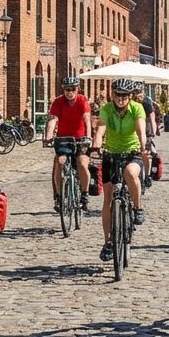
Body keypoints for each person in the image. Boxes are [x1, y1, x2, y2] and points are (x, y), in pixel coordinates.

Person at [93, 78, 148, 262]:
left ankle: (138, 207)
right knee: (108, 199)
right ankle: (108, 241)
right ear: (113, 94)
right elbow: (101, 129)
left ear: (130, 96)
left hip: (133, 152)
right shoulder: (107, 109)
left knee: (131, 173)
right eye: (118, 94)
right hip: (111, 154)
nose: (121, 98)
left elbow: (141, 129)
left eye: (125, 95)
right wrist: (96, 145)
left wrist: (143, 145)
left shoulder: (136, 108)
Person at [42, 76, 92, 210]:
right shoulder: (58, 102)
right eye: (67, 90)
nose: (70, 92)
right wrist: (48, 135)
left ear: (77, 89)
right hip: (63, 139)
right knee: (59, 162)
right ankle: (58, 197)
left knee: (82, 163)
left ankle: (84, 194)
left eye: (73, 89)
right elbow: (53, 119)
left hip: (80, 139)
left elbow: (87, 119)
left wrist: (88, 137)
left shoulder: (82, 100)